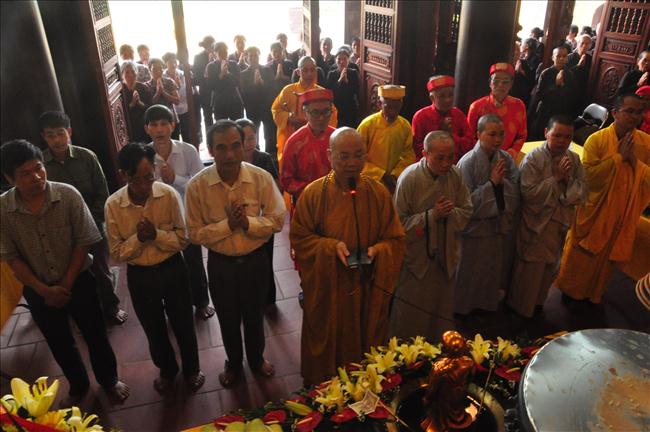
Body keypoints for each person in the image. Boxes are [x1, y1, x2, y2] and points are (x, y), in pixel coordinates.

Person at [1, 139, 130, 403]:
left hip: (79, 280)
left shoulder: (68, 194)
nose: (37, 177)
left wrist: (66, 284)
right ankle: (78, 385)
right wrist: (44, 290)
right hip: (38, 288)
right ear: (9, 178)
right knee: (59, 341)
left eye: (39, 168)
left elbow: (84, 241)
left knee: (95, 335)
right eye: (26, 173)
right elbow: (11, 256)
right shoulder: (3, 209)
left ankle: (109, 379)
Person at [290, 127, 405, 385]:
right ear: (329, 155)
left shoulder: (378, 193)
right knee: (327, 339)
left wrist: (378, 251)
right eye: (343, 156)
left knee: (367, 338)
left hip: (367, 285)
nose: (352, 163)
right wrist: (329, 247)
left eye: (358, 155)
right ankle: (325, 388)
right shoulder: (314, 194)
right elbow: (300, 238)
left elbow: (396, 239)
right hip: (329, 287)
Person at [185, 120, 286, 387]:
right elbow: (194, 233)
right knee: (227, 318)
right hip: (221, 265)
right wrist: (228, 226)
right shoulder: (197, 186)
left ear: (244, 146)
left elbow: (277, 219)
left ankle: (256, 359)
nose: (229, 154)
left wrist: (248, 223)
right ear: (210, 150)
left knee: (255, 315)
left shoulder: (260, 178)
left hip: (256, 261)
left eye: (235, 146)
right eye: (221, 147)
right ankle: (233, 363)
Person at [105, 143, 205, 393]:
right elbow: (117, 252)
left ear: (155, 170)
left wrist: (156, 235)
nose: (143, 186)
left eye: (149, 177)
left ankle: (192, 369)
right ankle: (167, 370)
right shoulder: (113, 205)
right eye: (135, 179)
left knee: (183, 323)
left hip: (173, 268)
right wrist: (139, 239)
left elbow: (183, 239)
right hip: (140, 275)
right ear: (123, 175)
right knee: (154, 329)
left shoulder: (167, 195)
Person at [556, 94, 650, 304]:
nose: (635, 117)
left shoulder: (646, 144)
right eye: (630, 111)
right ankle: (569, 291)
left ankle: (595, 294)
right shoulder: (597, 140)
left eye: (639, 112)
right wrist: (618, 158)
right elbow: (587, 177)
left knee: (604, 265)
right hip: (594, 212)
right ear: (615, 113)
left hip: (621, 214)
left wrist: (635, 163)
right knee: (580, 260)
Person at [38, 111, 127, 325]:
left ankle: (111, 308)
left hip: (92, 224)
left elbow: (102, 194)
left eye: (60, 133)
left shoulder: (87, 157)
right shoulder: (40, 164)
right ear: (44, 137)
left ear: (69, 132)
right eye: (51, 135)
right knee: (71, 274)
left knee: (100, 269)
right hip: (59, 231)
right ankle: (81, 314)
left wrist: (90, 224)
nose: (57, 140)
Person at [390, 131, 472, 341]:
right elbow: (398, 226)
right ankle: (407, 352)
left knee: (441, 309)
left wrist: (449, 213)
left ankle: (439, 346)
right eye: (439, 158)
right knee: (412, 312)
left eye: (450, 157)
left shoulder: (455, 175)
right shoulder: (410, 178)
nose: (446, 164)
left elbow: (466, 210)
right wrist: (431, 216)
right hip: (417, 259)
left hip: (445, 254)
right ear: (424, 154)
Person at [507, 116, 586, 318]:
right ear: (546, 133)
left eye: (567, 137)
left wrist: (566, 181)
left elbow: (581, 191)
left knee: (550, 267)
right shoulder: (533, 158)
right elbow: (527, 194)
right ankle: (520, 307)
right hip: (535, 224)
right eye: (557, 135)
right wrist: (556, 178)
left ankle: (539, 302)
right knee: (530, 269)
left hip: (558, 223)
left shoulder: (573, 159)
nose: (562, 141)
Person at [144, 105, 213, 321]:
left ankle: (201, 302)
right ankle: (173, 305)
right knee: (166, 263)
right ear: (147, 129)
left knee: (193, 261)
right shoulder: (144, 155)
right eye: (154, 125)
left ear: (172, 126)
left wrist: (176, 179)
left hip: (186, 215)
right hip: (160, 219)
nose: (159, 129)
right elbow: (141, 188)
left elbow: (201, 184)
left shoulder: (187, 150)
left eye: (164, 124)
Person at [454, 114, 519, 316]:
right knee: (468, 271)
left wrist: (500, 183)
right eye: (492, 134)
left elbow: (515, 193)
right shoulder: (467, 162)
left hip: (496, 228)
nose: (498, 140)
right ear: (478, 134)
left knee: (490, 270)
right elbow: (463, 203)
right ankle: (462, 309)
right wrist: (492, 185)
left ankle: (485, 306)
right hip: (473, 232)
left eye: (501, 134)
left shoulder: (506, 159)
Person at [236, 118, 281, 306]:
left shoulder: (264, 159)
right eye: (243, 139)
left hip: (263, 217)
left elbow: (276, 186)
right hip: (240, 219)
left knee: (265, 259)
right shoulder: (231, 162)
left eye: (251, 138)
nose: (248, 144)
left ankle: (268, 298)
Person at [271, 56, 337, 165]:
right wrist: (288, 117)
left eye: (312, 70)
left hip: (316, 140)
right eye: (305, 70)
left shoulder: (321, 92)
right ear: (298, 72)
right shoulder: (288, 91)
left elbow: (332, 113)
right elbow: (275, 109)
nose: (309, 74)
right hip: (292, 139)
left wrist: (315, 124)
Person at [280, 89, 335, 204]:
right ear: (305, 114)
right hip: (306, 202)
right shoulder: (294, 142)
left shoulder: (338, 138)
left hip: (335, 200)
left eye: (326, 112)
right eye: (315, 112)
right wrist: (315, 191)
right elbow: (286, 180)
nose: (321, 118)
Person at [358, 85, 414, 193]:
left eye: (396, 107)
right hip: (369, 181)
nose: (393, 111)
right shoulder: (367, 125)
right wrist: (381, 175)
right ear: (379, 104)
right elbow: (358, 156)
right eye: (389, 107)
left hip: (395, 182)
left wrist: (395, 175)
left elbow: (408, 155)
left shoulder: (405, 126)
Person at [467, 63, 528, 158]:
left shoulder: (519, 105)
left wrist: (509, 155)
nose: (500, 85)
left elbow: (522, 135)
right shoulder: (476, 106)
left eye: (505, 82)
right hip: (481, 157)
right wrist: (486, 155)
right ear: (490, 83)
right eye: (496, 81)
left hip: (508, 158)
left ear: (511, 84)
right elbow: (469, 137)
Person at [412, 76, 472, 160]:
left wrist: (451, 135)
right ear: (432, 98)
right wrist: (441, 134)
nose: (448, 100)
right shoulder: (420, 116)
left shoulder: (458, 114)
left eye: (450, 95)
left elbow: (470, 144)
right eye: (442, 96)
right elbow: (416, 149)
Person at [528, 45, 576, 140]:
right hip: (546, 111)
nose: (561, 58)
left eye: (564, 56)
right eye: (558, 56)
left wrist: (563, 86)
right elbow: (540, 94)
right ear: (553, 57)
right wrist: (556, 85)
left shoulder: (570, 74)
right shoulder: (546, 73)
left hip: (562, 111)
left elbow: (573, 95)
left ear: (567, 58)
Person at [264, 42, 294, 158]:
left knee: (286, 129)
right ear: (271, 53)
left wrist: (283, 77)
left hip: (287, 102)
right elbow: (266, 86)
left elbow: (294, 82)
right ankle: (270, 156)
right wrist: (276, 78)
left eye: (279, 51)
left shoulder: (289, 64)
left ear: (283, 51)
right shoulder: (267, 67)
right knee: (270, 131)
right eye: (274, 52)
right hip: (272, 101)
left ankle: (287, 153)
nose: (277, 54)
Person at [240, 46, 275, 147]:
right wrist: (254, 84)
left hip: (266, 106)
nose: (253, 58)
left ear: (259, 56)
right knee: (254, 133)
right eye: (250, 56)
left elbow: (272, 88)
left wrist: (262, 82)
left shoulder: (267, 70)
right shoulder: (243, 74)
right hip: (252, 108)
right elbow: (243, 91)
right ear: (246, 58)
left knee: (269, 133)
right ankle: (255, 151)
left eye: (255, 56)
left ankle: (269, 152)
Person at [205, 42, 244, 121]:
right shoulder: (211, 66)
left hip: (234, 101)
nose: (223, 55)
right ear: (215, 53)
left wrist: (228, 73)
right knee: (222, 127)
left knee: (238, 125)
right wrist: (222, 74)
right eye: (220, 52)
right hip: (219, 102)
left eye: (225, 52)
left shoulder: (233, 64)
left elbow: (238, 82)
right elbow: (210, 86)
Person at [326, 48, 360, 128]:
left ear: (348, 60)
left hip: (350, 107)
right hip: (336, 107)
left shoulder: (353, 73)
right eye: (339, 59)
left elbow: (356, 91)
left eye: (344, 59)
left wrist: (346, 81)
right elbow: (329, 92)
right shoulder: (331, 74)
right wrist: (340, 80)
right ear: (335, 60)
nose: (341, 62)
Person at [163, 52, 192, 144]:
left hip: (184, 108)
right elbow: (168, 96)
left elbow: (186, 91)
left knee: (186, 134)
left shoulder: (182, 74)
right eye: (171, 62)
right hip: (172, 111)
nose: (174, 64)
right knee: (174, 135)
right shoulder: (163, 77)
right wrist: (177, 86)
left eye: (175, 62)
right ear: (166, 63)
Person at [147, 58, 180, 138]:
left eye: (160, 69)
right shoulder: (147, 86)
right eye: (155, 69)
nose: (158, 72)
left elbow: (177, 101)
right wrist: (158, 92)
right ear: (150, 70)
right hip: (156, 123)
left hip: (171, 119)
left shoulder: (169, 82)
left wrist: (163, 93)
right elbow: (149, 105)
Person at [121, 61, 152, 143]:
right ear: (122, 75)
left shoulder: (144, 88)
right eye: (127, 72)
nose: (131, 75)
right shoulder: (120, 91)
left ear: (136, 73)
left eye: (133, 71)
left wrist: (140, 103)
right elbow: (119, 112)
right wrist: (132, 104)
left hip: (143, 126)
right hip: (127, 127)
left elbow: (150, 108)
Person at [192, 35, 216, 131]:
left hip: (218, 91)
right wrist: (209, 64)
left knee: (220, 116)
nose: (210, 48)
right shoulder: (198, 57)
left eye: (211, 46)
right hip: (205, 91)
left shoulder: (218, 54)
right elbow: (197, 76)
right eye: (207, 46)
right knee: (208, 117)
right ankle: (210, 137)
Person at [567, 35, 593, 116]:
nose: (584, 46)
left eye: (587, 44)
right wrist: (578, 66)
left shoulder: (591, 59)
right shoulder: (570, 57)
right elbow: (566, 74)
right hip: (569, 90)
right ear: (578, 44)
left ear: (590, 46)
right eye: (582, 43)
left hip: (583, 91)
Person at [511, 38, 538, 108]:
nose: (516, 52)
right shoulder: (506, 63)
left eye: (518, 50)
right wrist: (515, 71)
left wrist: (521, 72)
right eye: (514, 50)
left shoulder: (524, 63)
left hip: (522, 97)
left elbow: (532, 80)